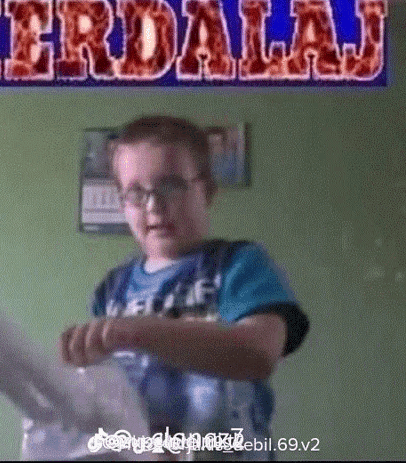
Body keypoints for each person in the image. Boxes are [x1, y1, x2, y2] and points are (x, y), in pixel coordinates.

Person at [60, 115, 310, 460]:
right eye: (135, 193)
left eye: (171, 186)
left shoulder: (239, 265)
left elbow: (258, 353)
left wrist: (138, 333)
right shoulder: (111, 291)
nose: (153, 205)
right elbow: (110, 399)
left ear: (207, 191)